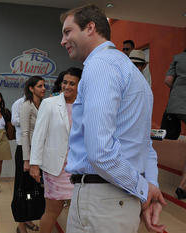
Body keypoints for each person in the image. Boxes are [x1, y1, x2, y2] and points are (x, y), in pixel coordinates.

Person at [60, 4, 166, 233]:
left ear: (90, 28)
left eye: (68, 32)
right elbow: (146, 146)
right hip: (118, 202)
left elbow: (100, 151)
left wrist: (144, 189)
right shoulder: (133, 74)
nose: (63, 40)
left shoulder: (100, 65)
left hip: (101, 202)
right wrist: (150, 187)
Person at [29, 67, 82, 233]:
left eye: (72, 83)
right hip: (56, 168)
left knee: (78, 213)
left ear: (80, 85)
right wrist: (34, 164)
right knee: (52, 211)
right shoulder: (49, 103)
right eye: (65, 82)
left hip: (79, 168)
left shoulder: (85, 105)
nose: (67, 86)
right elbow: (39, 135)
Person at [11, 76, 46, 233]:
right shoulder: (26, 105)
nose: (43, 88)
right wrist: (26, 160)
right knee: (22, 189)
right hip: (26, 151)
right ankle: (21, 226)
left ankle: (28, 219)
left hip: (37, 151)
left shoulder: (42, 105)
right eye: (39, 86)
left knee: (32, 191)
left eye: (44, 85)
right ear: (31, 88)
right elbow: (25, 133)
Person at [164, 49, 186, 199]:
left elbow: (168, 80)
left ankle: (183, 186)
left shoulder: (178, 58)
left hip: (177, 105)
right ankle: (183, 186)